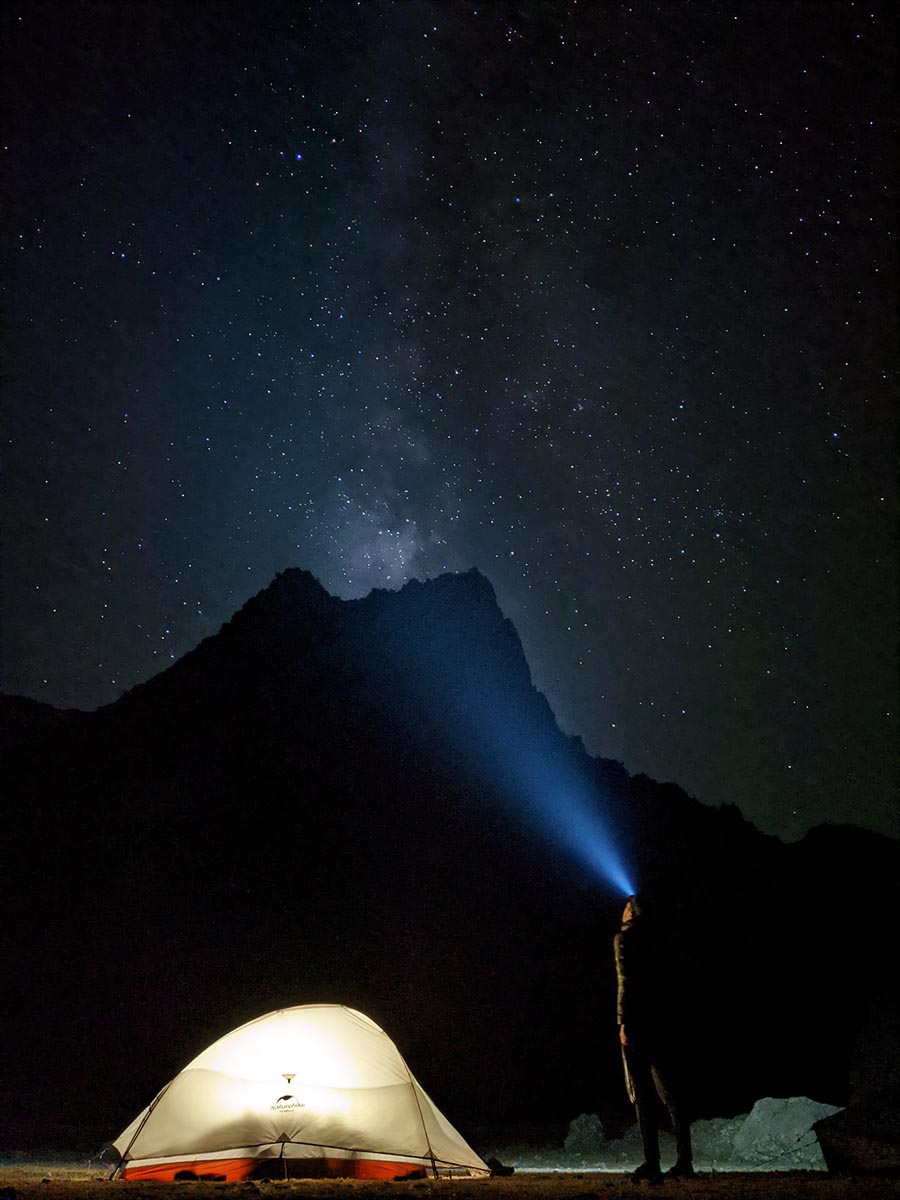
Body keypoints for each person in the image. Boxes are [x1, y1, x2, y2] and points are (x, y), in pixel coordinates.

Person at [614, 893, 694, 1184]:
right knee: (672, 1096)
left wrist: (623, 1023)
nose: (622, 910)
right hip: (662, 1024)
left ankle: (652, 1163)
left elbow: (625, 982)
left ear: (633, 912)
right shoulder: (660, 940)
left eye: (626, 906)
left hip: (637, 1025)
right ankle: (685, 1161)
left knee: (642, 1096)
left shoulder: (624, 940)